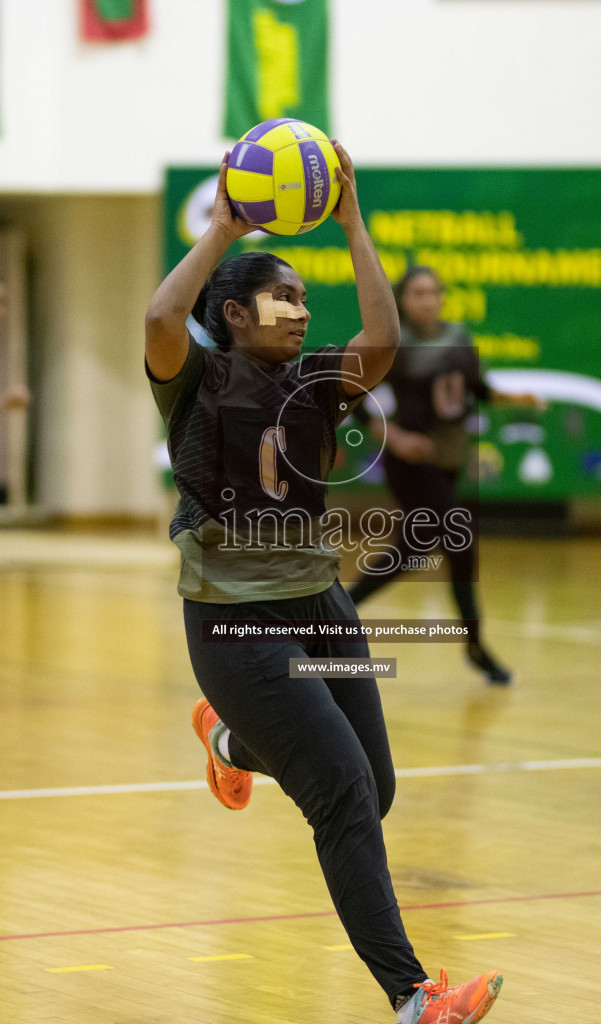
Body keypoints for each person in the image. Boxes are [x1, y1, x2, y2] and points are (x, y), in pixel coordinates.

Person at [145, 145, 502, 1023]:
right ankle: (415, 997)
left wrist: (349, 218)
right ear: (233, 313)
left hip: (320, 601)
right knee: (340, 792)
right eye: (286, 295)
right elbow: (161, 314)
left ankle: (231, 744)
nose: (304, 310)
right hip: (236, 621)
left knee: (370, 791)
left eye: (307, 297)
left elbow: (380, 343)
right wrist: (225, 225)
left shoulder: (313, 384)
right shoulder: (193, 379)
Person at [347, 265, 545, 685]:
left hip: (449, 461)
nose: (428, 300)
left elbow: (477, 389)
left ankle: (338, 613)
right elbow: (354, 394)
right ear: (402, 299)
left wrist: (516, 398)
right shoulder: (393, 342)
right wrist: (394, 436)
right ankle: (476, 647)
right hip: (412, 462)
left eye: (434, 292)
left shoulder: (458, 337)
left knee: (411, 551)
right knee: (461, 538)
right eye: (418, 293)